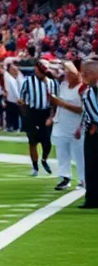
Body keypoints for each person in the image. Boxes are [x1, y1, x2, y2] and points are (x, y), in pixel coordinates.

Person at [51, 61, 86, 191]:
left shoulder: (82, 88)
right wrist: (53, 116)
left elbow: (82, 109)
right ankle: (64, 178)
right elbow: (57, 104)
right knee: (62, 152)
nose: (66, 75)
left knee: (79, 155)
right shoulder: (63, 86)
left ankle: (83, 179)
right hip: (61, 124)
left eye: (69, 72)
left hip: (76, 126)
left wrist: (62, 104)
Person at [20, 60, 59, 177]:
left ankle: (44, 159)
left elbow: (55, 102)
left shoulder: (52, 83)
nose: (39, 73)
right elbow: (22, 99)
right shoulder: (28, 81)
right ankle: (35, 166)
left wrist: (51, 117)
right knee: (32, 142)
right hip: (32, 113)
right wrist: (26, 116)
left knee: (47, 142)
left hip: (46, 113)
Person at [80, 58, 98, 210]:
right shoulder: (89, 91)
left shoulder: (91, 91)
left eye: (85, 73)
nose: (83, 76)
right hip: (91, 132)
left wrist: (96, 124)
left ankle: (93, 198)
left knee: (93, 164)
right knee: (91, 165)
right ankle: (92, 197)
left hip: (95, 131)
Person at [2, 60, 22, 133]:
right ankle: (10, 127)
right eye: (12, 69)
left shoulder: (17, 76)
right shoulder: (8, 76)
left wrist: (18, 98)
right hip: (10, 98)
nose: (14, 70)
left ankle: (15, 127)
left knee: (15, 114)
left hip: (15, 99)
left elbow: (15, 89)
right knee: (10, 114)